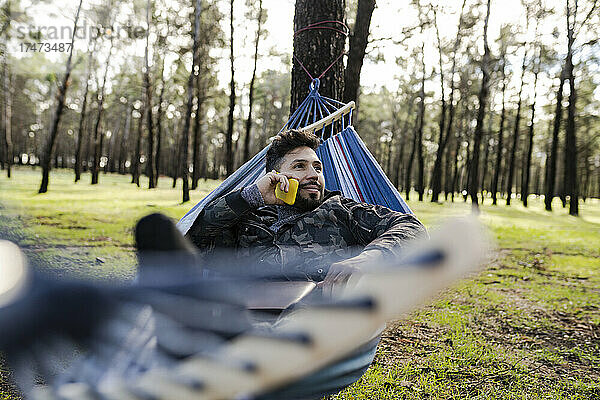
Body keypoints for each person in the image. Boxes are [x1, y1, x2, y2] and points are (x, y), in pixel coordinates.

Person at [185, 129, 427, 294]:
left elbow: (412, 228)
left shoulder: (341, 210)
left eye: (317, 167)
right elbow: (194, 239)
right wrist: (251, 197)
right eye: (300, 166)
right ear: (275, 176)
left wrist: (366, 259)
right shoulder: (250, 218)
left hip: (312, 322)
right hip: (242, 316)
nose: (313, 174)